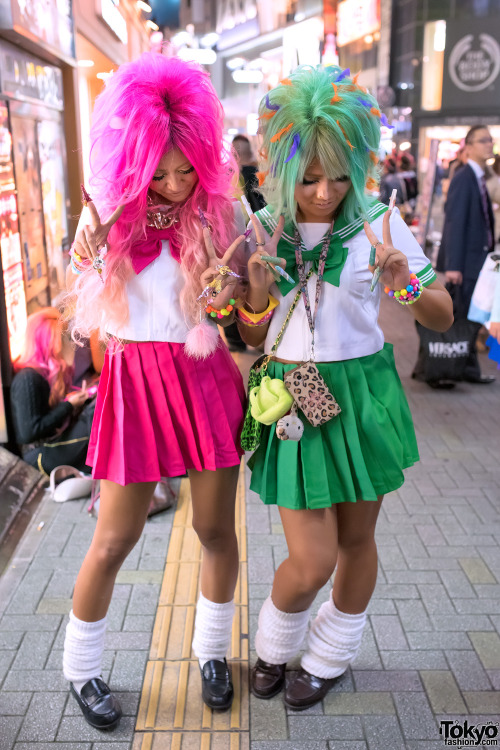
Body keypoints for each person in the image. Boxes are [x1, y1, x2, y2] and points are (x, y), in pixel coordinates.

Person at [237, 65, 453, 710]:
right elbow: (252, 337)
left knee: (357, 542)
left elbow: (441, 314)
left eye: (339, 173)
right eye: (308, 177)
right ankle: (275, 645)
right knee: (311, 559)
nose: (326, 191)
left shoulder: (381, 223)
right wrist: (252, 285)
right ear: (282, 166)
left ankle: (328, 655)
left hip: (360, 392)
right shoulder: (266, 224)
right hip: (292, 396)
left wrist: (403, 281)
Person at [62, 52, 247, 730]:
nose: (172, 184)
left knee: (214, 529)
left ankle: (211, 654)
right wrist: (86, 246)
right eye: (158, 171)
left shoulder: (221, 216)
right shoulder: (109, 217)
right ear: (135, 158)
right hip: (135, 382)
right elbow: (83, 279)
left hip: (203, 379)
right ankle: (80, 669)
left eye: (183, 169)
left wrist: (230, 298)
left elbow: (242, 309)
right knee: (115, 538)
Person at [436, 124, 496, 384]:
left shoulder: (479, 177)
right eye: (483, 141)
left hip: (478, 261)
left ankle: (467, 369)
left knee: (469, 318)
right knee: (463, 317)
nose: (489, 145)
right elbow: (455, 222)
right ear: (469, 148)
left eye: (490, 140)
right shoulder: (464, 177)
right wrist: (454, 265)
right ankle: (451, 368)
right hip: (467, 263)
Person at [10, 307, 93, 476]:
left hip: (53, 443)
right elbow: (30, 433)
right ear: (48, 343)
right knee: (94, 425)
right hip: (39, 455)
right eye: (61, 337)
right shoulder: (28, 378)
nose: (66, 342)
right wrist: (68, 406)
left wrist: (73, 404)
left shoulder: (48, 374)